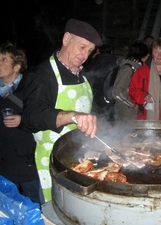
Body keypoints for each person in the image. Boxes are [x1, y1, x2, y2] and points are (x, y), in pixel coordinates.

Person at [22, 18, 102, 202]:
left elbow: (89, 111)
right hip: (51, 162)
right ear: (66, 39)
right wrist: (72, 116)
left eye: (89, 51)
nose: (85, 55)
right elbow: (31, 116)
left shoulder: (81, 75)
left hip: (78, 158)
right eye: (82, 47)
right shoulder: (42, 75)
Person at [0, 43, 43, 206]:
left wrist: (22, 119)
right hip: (4, 163)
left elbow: (41, 117)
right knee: (9, 208)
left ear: (17, 66)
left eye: (4, 59)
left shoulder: (30, 88)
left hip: (26, 165)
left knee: (33, 206)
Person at [83, 43, 121, 120]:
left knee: (95, 119)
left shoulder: (91, 62)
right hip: (109, 96)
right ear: (112, 51)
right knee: (110, 120)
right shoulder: (117, 61)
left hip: (93, 96)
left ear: (99, 51)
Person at [112, 42, 149, 120]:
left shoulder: (137, 68)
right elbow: (117, 91)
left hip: (131, 110)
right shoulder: (128, 69)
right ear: (142, 56)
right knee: (128, 132)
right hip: (126, 111)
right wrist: (132, 103)